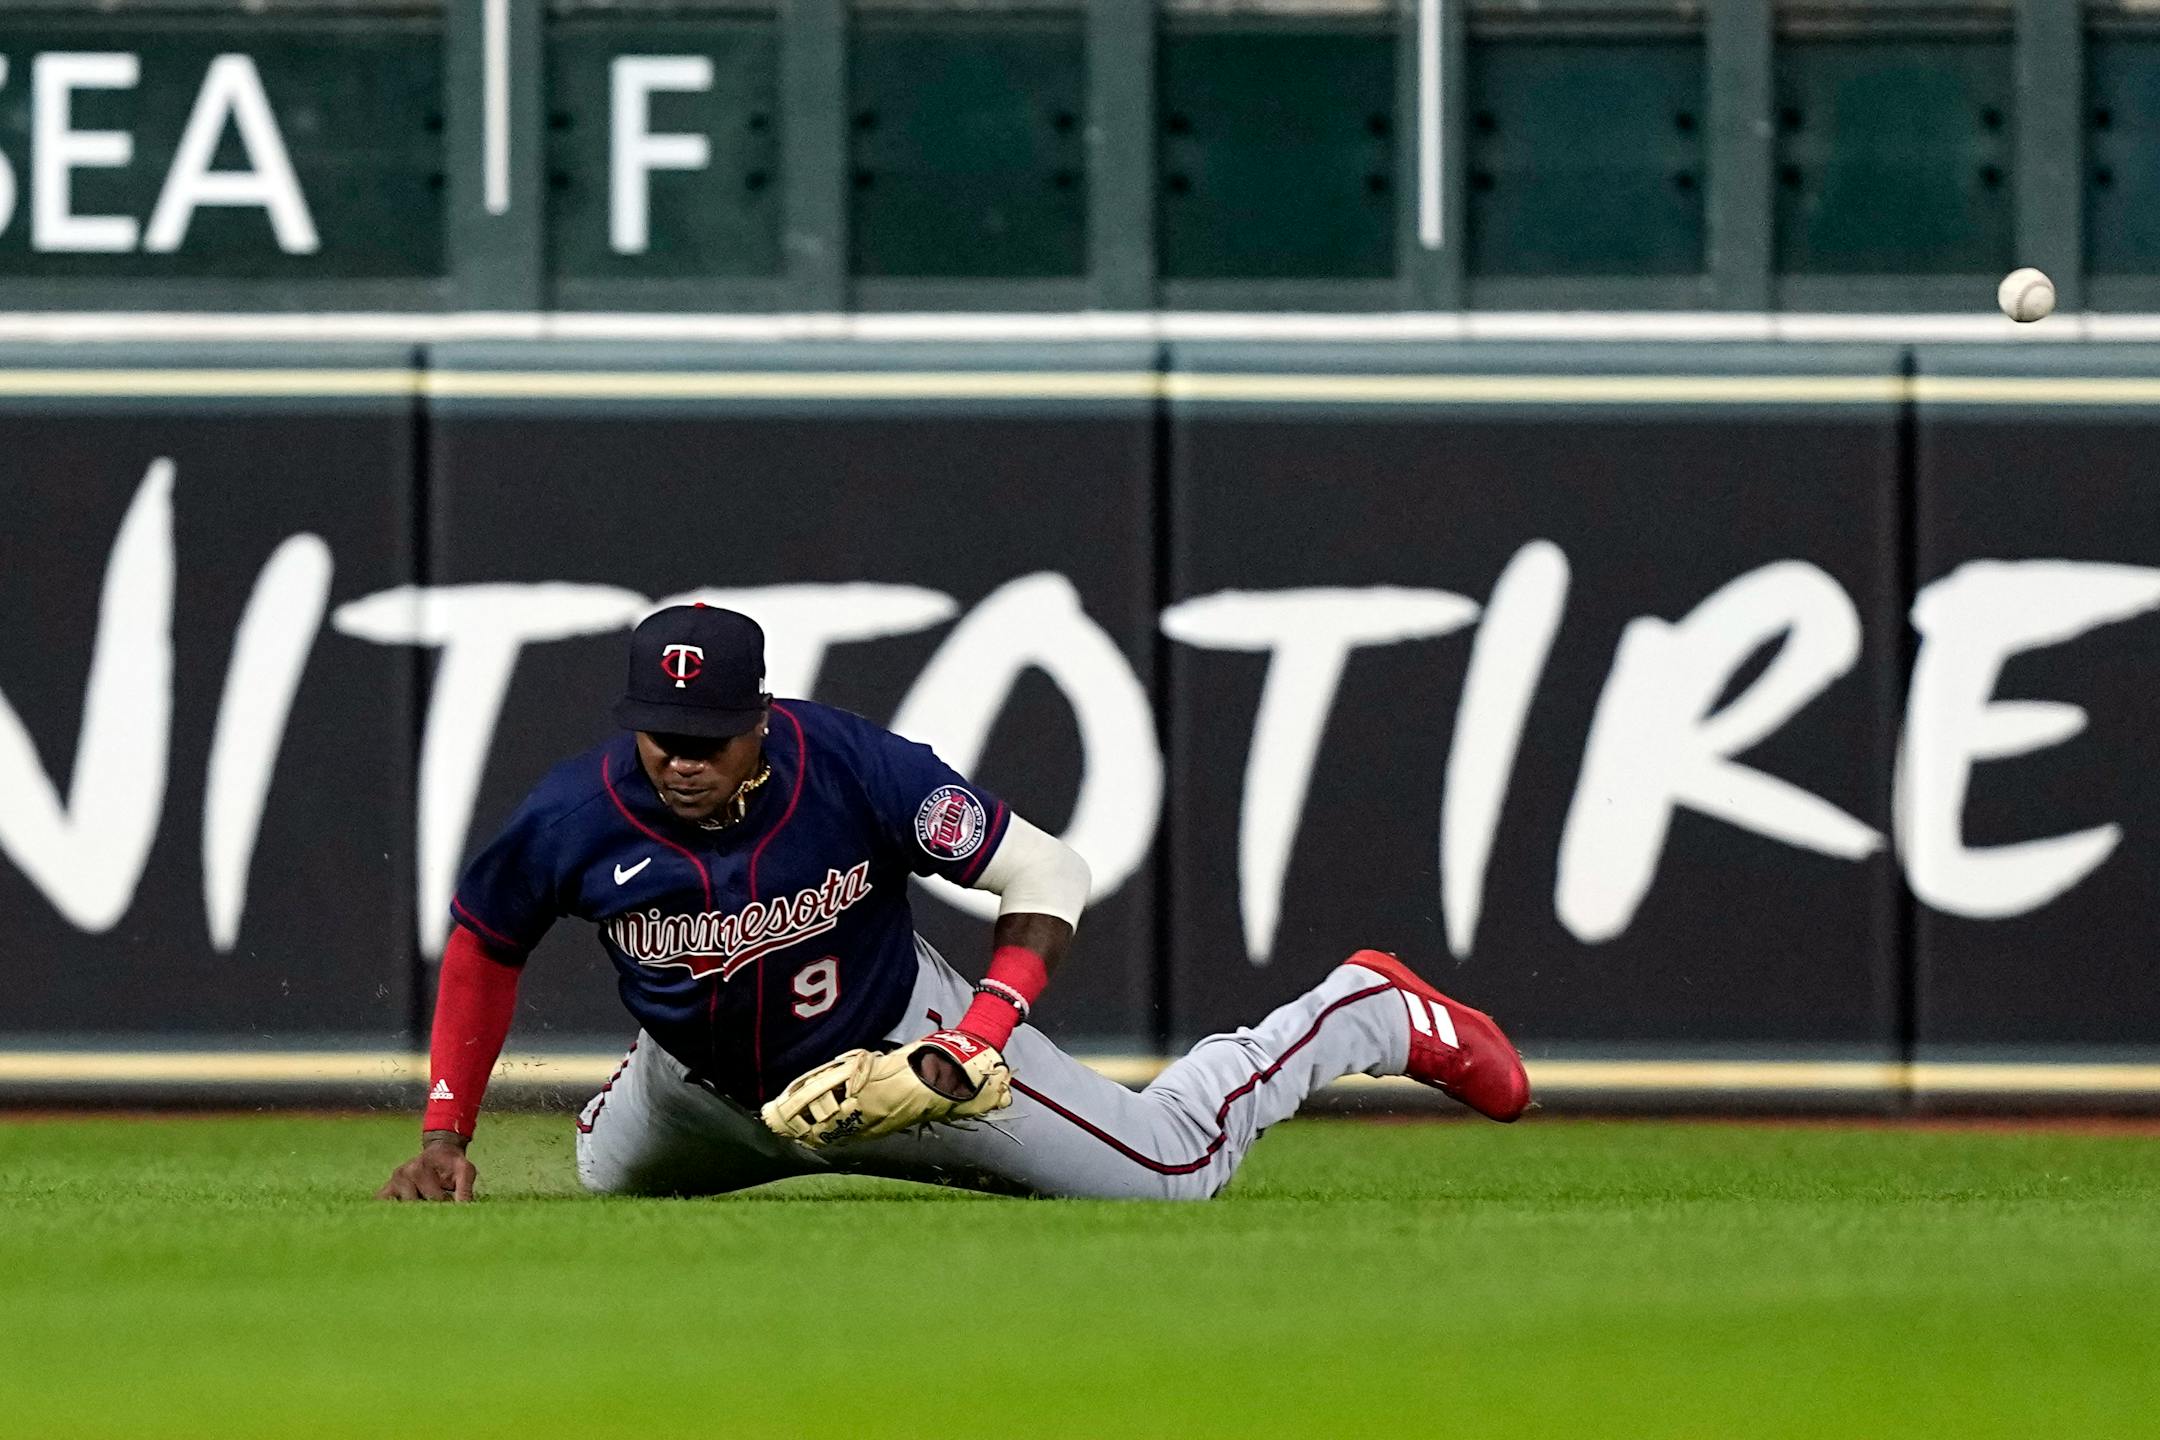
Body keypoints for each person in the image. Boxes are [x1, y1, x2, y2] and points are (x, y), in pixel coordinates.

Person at [377, 605, 1529, 1204]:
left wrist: (975, 1042)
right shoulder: (574, 812)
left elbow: (1050, 875)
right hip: (701, 1089)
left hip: (904, 1050)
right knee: (600, 1177)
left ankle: (1368, 1010)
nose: (679, 759)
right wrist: (445, 1132)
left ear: (761, 720)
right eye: (660, 734)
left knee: (1172, 1173)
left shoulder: (857, 768)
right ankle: (662, 1097)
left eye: (706, 738)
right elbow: (488, 942)